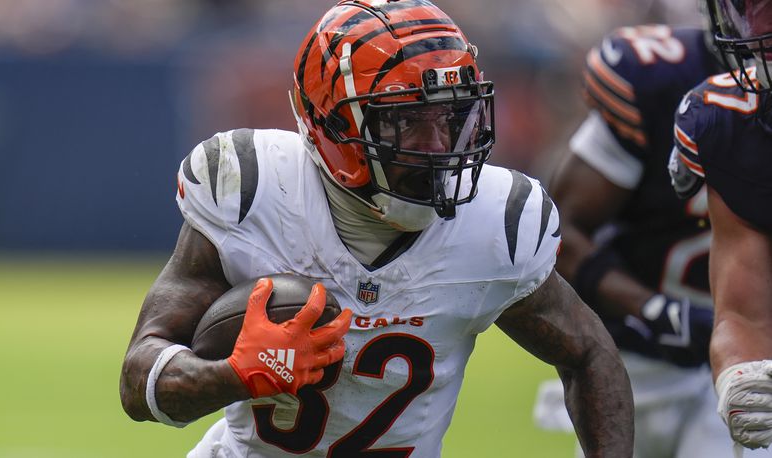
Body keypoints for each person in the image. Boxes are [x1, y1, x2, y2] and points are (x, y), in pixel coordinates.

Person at [119, 1, 634, 457]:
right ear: (333, 126)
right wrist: (236, 375)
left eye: (450, 118)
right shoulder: (252, 188)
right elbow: (139, 382)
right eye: (405, 121)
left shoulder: (497, 223)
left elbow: (589, 353)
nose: (437, 146)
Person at [532, 12, 768, 457]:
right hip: (641, 360)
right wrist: (658, 311)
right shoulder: (660, 79)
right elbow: (558, 231)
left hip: (754, 352)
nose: (759, 25)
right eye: (748, 7)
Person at [670, 0, 772, 453]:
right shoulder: (729, 119)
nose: (759, 29)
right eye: (751, 8)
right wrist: (740, 374)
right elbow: (745, 312)